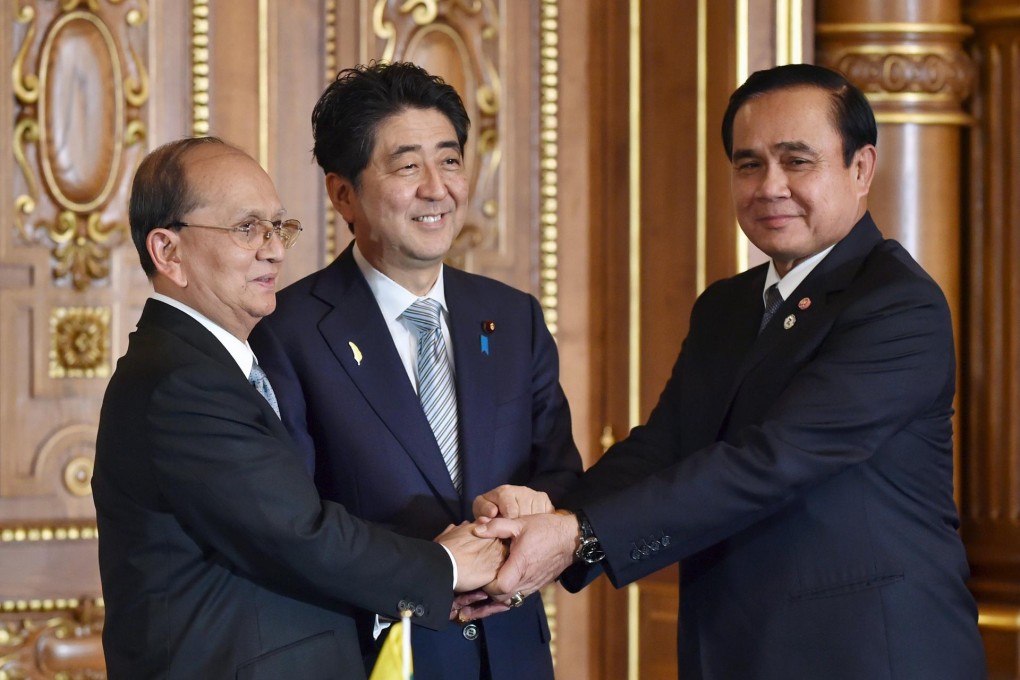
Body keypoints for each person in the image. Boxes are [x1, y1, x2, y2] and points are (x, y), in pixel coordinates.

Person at [473, 63, 987, 679]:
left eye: (797, 161)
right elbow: (663, 447)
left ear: (861, 169)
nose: (770, 186)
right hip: (734, 649)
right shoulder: (727, 306)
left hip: (866, 656)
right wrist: (541, 520)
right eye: (749, 164)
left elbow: (772, 460)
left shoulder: (897, 304)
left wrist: (577, 534)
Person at [92, 136, 507, 680]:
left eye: (277, 227)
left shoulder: (212, 366)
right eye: (247, 228)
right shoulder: (181, 382)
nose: (274, 250)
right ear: (168, 252)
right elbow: (296, 535)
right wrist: (446, 565)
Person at [248, 62, 582, 680]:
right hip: (373, 657)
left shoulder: (514, 318)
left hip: (513, 655)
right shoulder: (286, 333)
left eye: (450, 161)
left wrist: (530, 513)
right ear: (343, 194)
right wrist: (432, 573)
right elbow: (288, 529)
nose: (437, 188)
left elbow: (562, 475)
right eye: (407, 167)